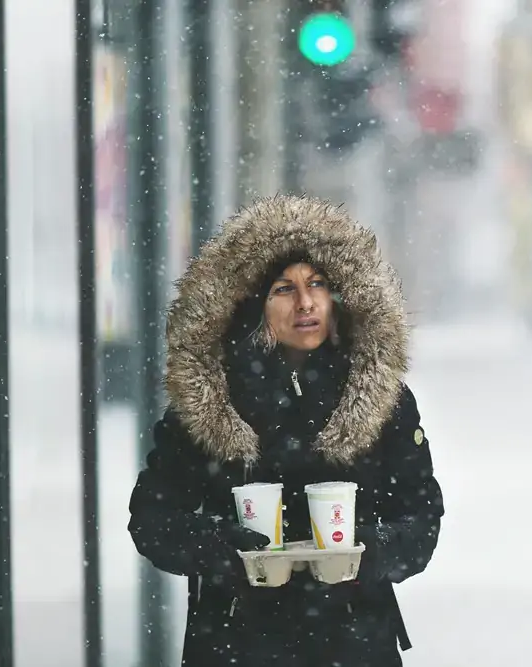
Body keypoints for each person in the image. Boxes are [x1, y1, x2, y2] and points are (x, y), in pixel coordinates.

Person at [128, 194, 445, 666]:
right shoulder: (209, 400)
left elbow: (421, 519)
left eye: (317, 283)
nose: (305, 302)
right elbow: (151, 519)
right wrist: (222, 548)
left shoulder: (383, 400)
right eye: (283, 288)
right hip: (236, 643)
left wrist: (366, 551)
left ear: (340, 298)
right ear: (251, 304)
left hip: (355, 642)